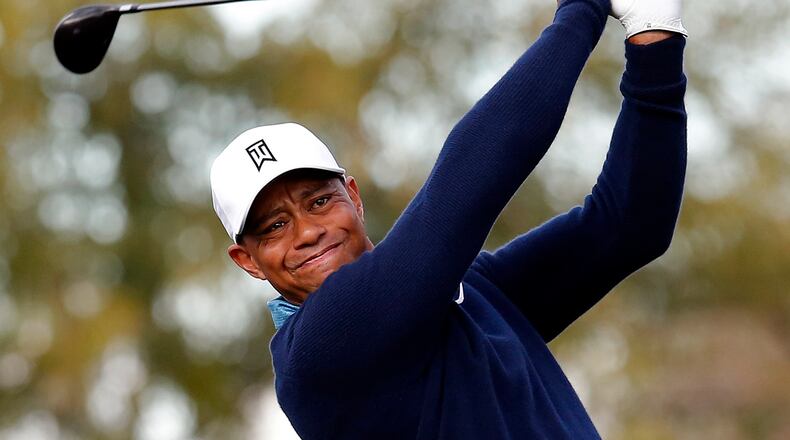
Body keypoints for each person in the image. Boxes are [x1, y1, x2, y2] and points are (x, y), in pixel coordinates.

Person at [209, 0, 688, 437]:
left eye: (318, 201)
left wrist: (653, 37)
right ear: (246, 260)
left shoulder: (474, 290)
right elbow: (471, 175)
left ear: (353, 196)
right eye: (274, 226)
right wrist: (580, 11)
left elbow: (630, 224)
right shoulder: (317, 351)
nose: (308, 231)